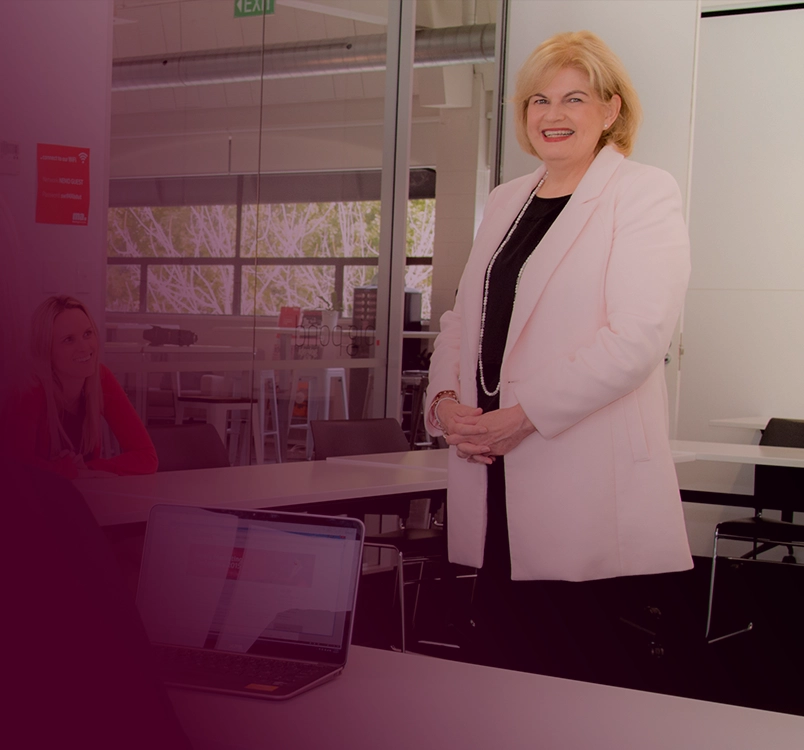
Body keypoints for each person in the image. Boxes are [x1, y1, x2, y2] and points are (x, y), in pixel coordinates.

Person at [425, 31, 693, 680]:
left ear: (611, 109)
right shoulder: (506, 200)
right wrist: (445, 402)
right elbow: (464, 317)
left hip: (580, 470)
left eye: (574, 98)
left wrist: (522, 416)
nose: (553, 114)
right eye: (539, 100)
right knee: (498, 662)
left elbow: (637, 337)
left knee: (575, 666)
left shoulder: (642, 193)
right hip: (492, 465)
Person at [6, 295, 158, 479]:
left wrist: (90, 469)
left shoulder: (100, 378)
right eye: (68, 340)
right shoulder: (29, 389)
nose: (85, 347)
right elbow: (14, 466)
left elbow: (147, 456)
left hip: (83, 492)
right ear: (46, 350)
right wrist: (68, 471)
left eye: (87, 334)